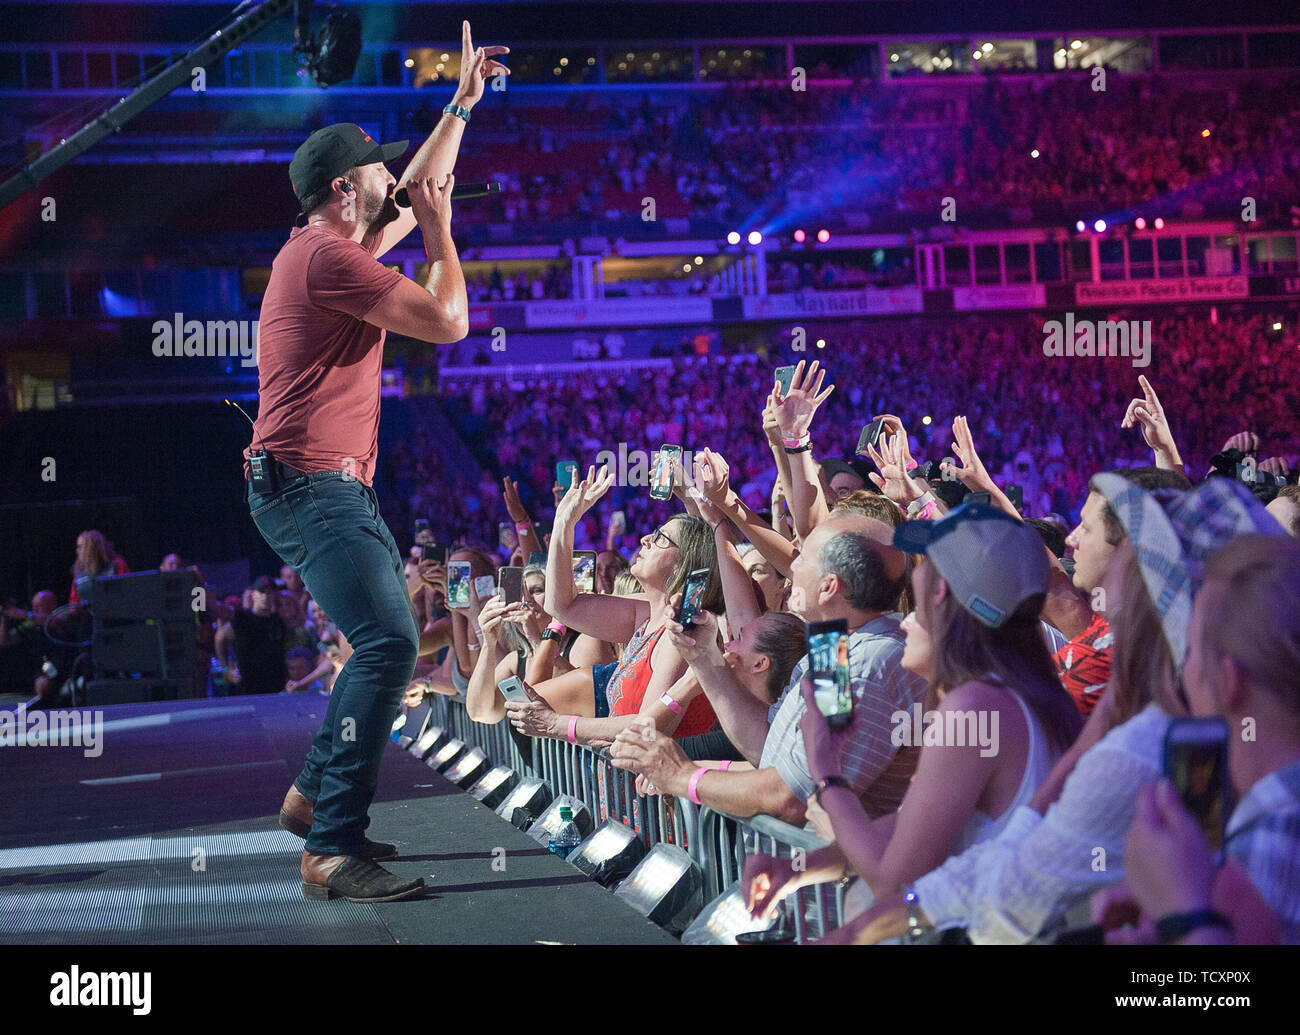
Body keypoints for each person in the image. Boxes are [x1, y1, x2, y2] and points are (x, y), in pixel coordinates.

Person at [246, 22, 510, 903]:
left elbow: (413, 183)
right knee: (392, 641)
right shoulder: (328, 257)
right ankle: (327, 845)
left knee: (380, 640)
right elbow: (450, 321)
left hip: (303, 483)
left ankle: (316, 799)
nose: (388, 178)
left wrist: (461, 106)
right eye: (374, 171)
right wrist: (440, 236)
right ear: (341, 188)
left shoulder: (327, 248)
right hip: (313, 482)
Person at [745, 504, 1081, 917]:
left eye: (916, 613)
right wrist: (797, 868)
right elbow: (909, 827)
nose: (903, 625)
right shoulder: (997, 694)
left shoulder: (974, 705)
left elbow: (892, 880)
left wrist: (827, 771)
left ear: (942, 599)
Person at [68, 530, 129, 604]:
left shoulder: (117, 565)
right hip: (88, 615)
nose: (77, 551)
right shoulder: (79, 572)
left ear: (92, 548)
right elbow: (74, 602)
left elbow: (128, 592)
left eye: (80, 546)